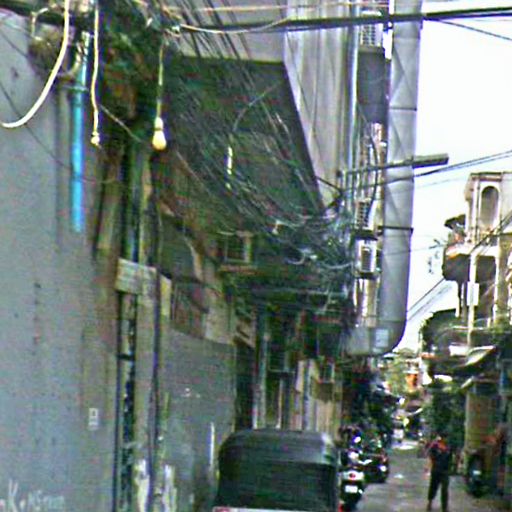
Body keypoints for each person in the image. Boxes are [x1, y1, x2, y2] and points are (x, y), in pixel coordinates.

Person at [426, 432, 452, 512]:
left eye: (447, 438)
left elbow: (450, 458)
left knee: (444, 489)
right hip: (436, 470)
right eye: (445, 438)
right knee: (433, 487)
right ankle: (430, 502)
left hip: (445, 471)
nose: (446, 439)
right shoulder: (435, 446)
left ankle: (444, 507)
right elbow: (430, 456)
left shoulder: (449, 447)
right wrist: (430, 466)